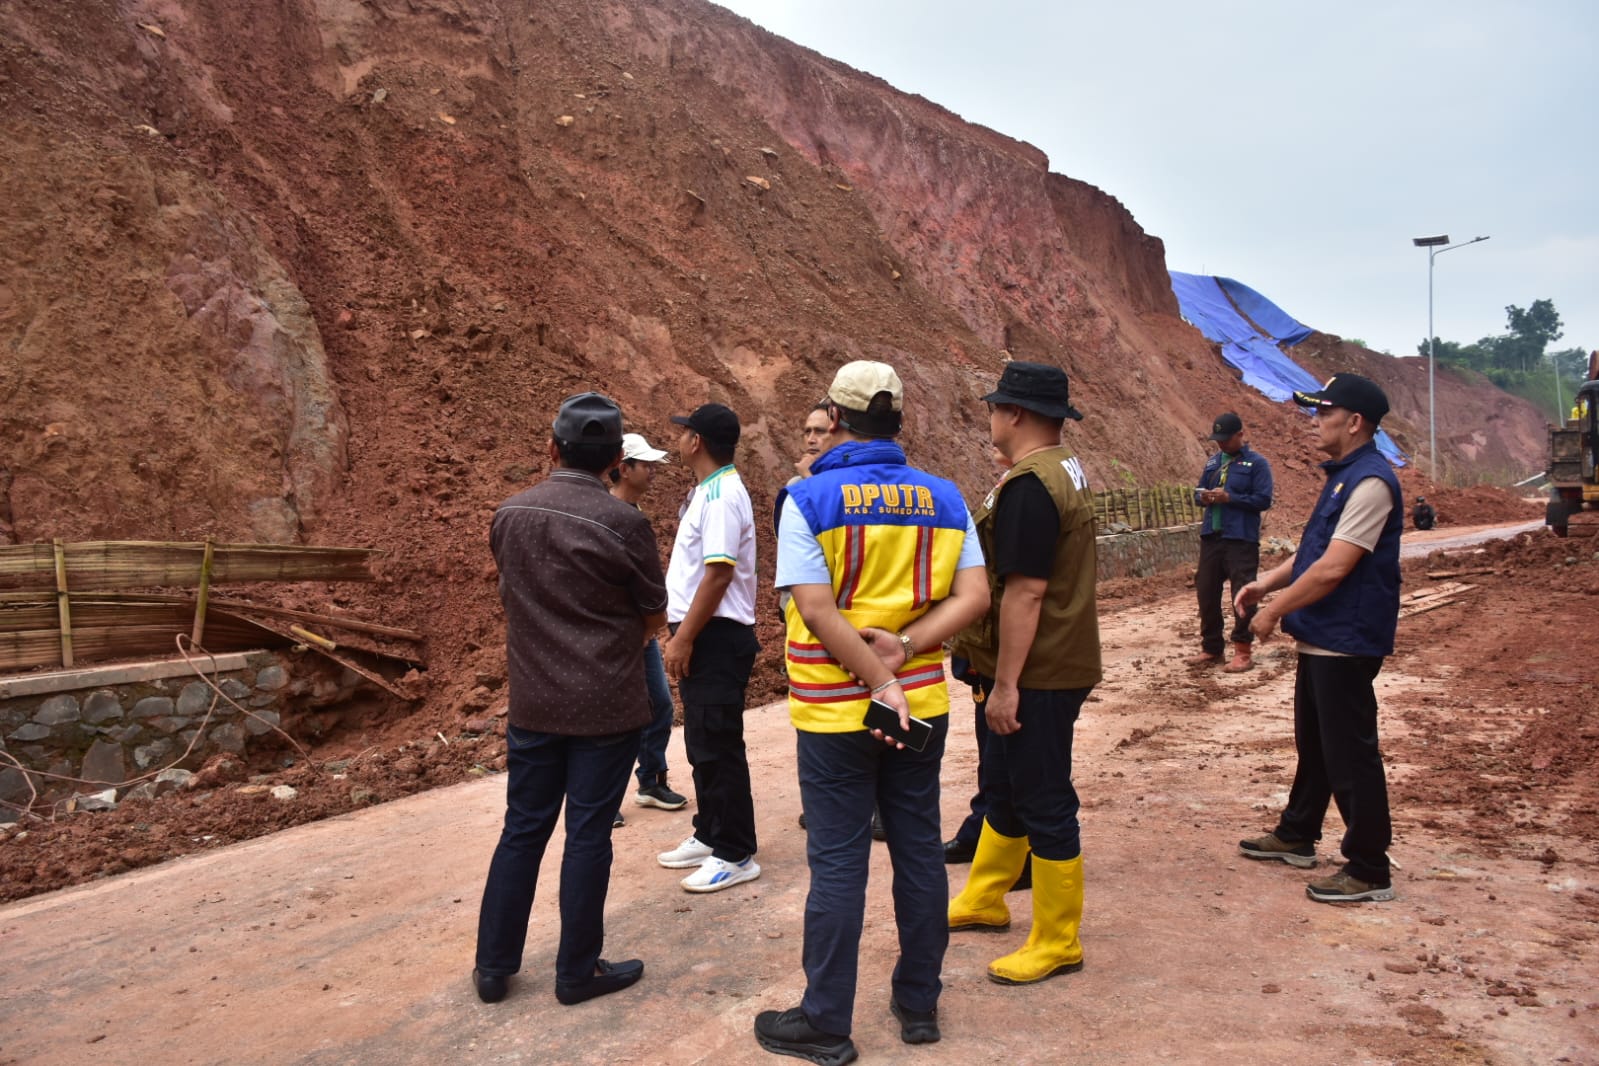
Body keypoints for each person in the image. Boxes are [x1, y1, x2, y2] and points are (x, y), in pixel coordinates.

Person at [753, 361, 989, 1062]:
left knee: (836, 862)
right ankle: (919, 1004)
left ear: (838, 415)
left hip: (833, 713)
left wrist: (869, 678)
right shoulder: (944, 499)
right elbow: (974, 596)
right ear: (898, 418)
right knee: (918, 850)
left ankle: (826, 1020)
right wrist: (904, 652)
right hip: (918, 706)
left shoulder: (809, 498)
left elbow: (816, 610)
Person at [472, 392, 667, 1006]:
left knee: (522, 830)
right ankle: (576, 973)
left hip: (533, 704)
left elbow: (513, 597)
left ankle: (493, 967)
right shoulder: (625, 523)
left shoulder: (510, 514)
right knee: (588, 835)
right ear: (615, 459)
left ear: (552, 448)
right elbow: (654, 614)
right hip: (605, 707)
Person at [946, 361, 1102, 987]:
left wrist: (1006, 683)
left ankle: (1058, 940)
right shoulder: (1057, 469)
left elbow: (1026, 593)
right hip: (1047, 662)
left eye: (994, 407)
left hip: (1039, 670)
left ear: (1014, 414)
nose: (990, 416)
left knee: (1042, 796)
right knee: (1006, 784)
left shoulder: (1032, 486)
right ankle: (986, 897)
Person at [1234, 372, 1402, 904]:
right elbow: (1311, 553)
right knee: (1318, 745)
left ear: (1354, 423)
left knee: (1350, 753)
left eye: (1323, 413)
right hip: (1324, 636)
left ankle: (1369, 866)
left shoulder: (1371, 482)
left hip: (1346, 639)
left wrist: (1273, 612)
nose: (1315, 422)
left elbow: (1334, 568)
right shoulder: (1344, 477)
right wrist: (1266, 582)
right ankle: (1298, 832)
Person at [655, 403, 763, 893]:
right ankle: (711, 832)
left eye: (684, 432)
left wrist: (684, 637)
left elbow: (718, 573)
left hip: (715, 636)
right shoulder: (707, 491)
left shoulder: (720, 495)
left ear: (696, 441)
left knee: (718, 745)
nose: (678, 439)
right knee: (702, 743)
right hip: (706, 634)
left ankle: (735, 852)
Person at [608, 433, 689, 824]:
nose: (653, 471)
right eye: (646, 465)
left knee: (659, 704)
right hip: (613, 636)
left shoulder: (634, 512)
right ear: (624, 468)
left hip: (640, 635)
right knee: (609, 714)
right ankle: (600, 799)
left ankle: (651, 780)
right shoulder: (605, 516)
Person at [1189, 412, 1274, 672]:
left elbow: (1263, 500)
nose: (1222, 444)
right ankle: (1212, 648)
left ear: (1240, 435)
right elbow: (1198, 491)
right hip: (1212, 537)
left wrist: (1230, 498)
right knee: (1206, 592)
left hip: (1241, 539)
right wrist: (1203, 497)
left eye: (1226, 439)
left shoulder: (1257, 464)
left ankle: (1243, 650)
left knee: (1243, 594)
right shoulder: (1213, 462)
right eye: (1218, 440)